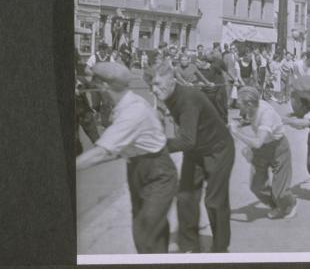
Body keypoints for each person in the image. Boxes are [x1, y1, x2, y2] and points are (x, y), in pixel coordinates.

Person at [77, 62, 178, 254]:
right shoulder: (129, 104)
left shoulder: (132, 112)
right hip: (138, 168)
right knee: (149, 230)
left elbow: (101, 152)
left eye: (93, 83)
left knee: (146, 232)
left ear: (104, 86)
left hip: (158, 173)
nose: (90, 87)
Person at [151, 62, 235, 253]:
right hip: (196, 149)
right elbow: (162, 110)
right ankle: (190, 246)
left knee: (214, 201)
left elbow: (187, 140)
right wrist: (158, 114)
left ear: (172, 82)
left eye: (158, 84)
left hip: (218, 150)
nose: (154, 90)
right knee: (185, 196)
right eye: (152, 85)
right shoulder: (168, 93)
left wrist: (157, 146)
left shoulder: (188, 99)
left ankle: (221, 250)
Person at [231, 86, 297, 219]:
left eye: (239, 104)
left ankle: (290, 204)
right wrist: (241, 123)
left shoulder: (266, 114)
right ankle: (277, 206)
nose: (237, 107)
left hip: (278, 148)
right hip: (262, 149)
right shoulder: (251, 107)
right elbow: (249, 120)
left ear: (248, 104)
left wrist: (236, 132)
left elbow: (257, 142)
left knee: (281, 191)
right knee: (256, 186)